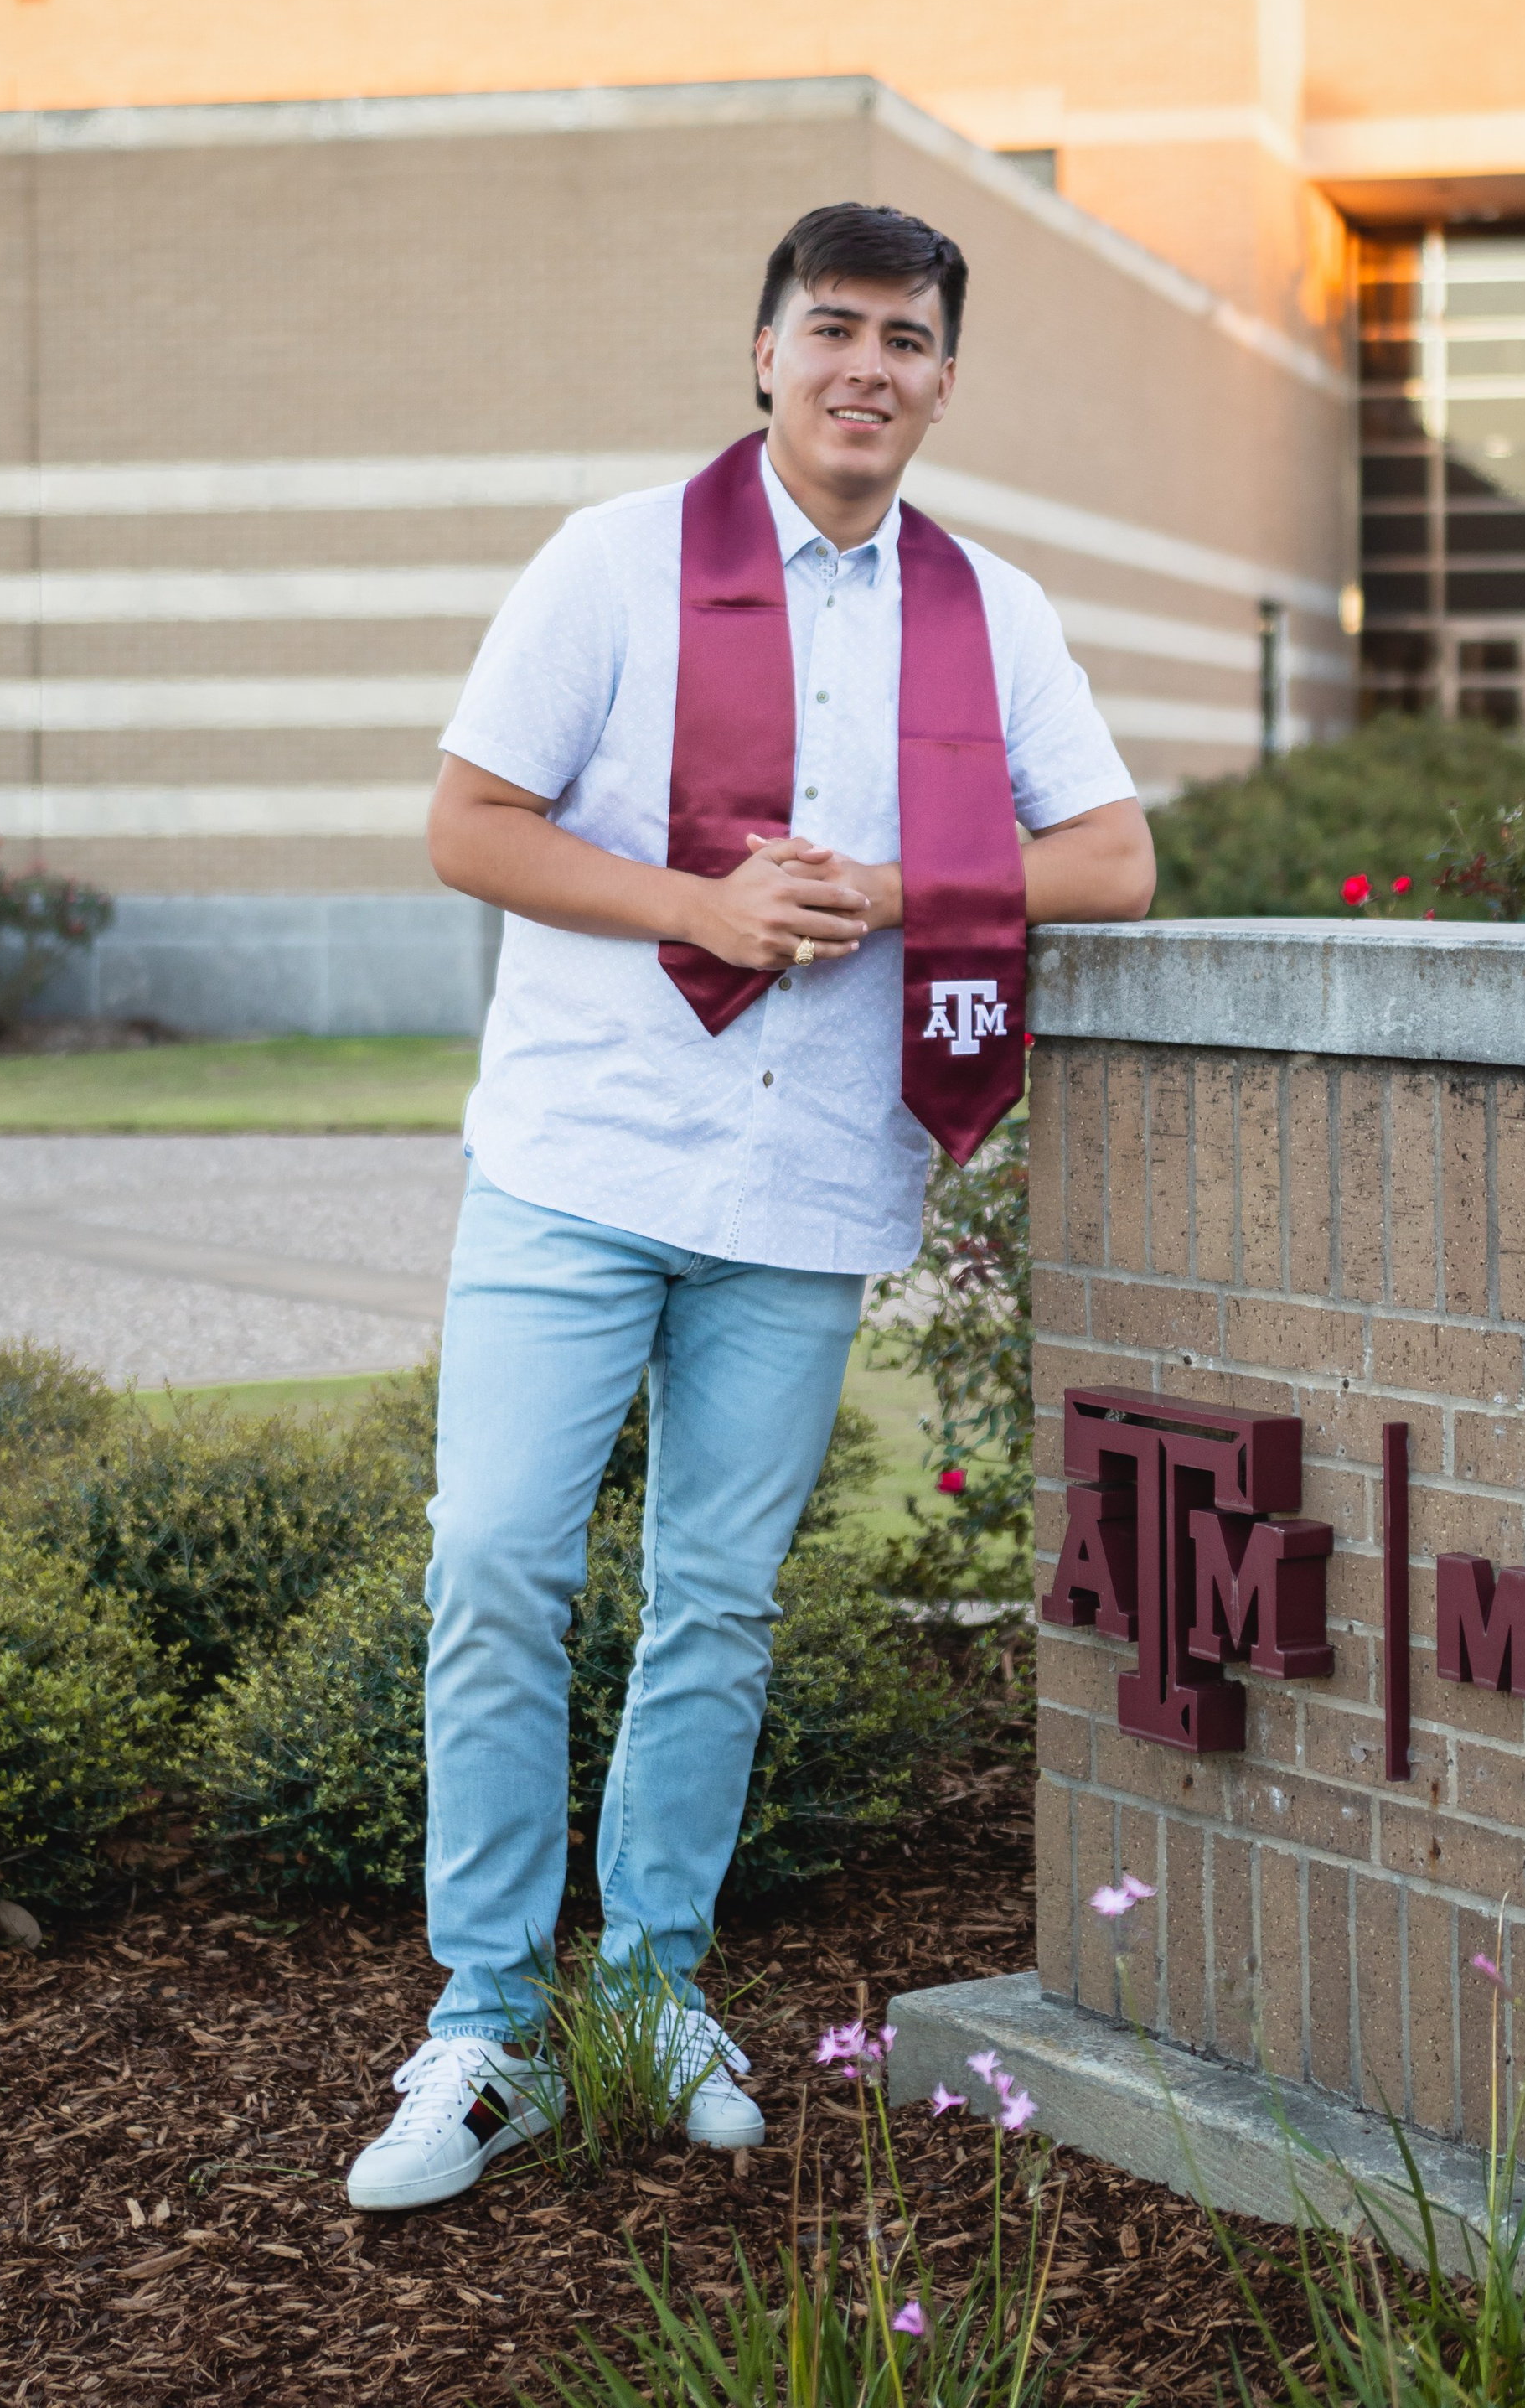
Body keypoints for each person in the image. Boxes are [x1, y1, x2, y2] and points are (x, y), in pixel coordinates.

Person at [345, 200, 1154, 2212]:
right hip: (582, 1157)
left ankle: (654, 1993)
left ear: (944, 380)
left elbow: (1117, 857)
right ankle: (483, 2025)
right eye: (831, 327)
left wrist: (893, 893)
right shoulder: (614, 560)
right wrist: (698, 906)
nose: (865, 363)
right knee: (497, 1562)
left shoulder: (991, 613)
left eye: (904, 336)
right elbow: (469, 824)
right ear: (763, 353)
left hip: (807, 1184)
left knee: (712, 1607)